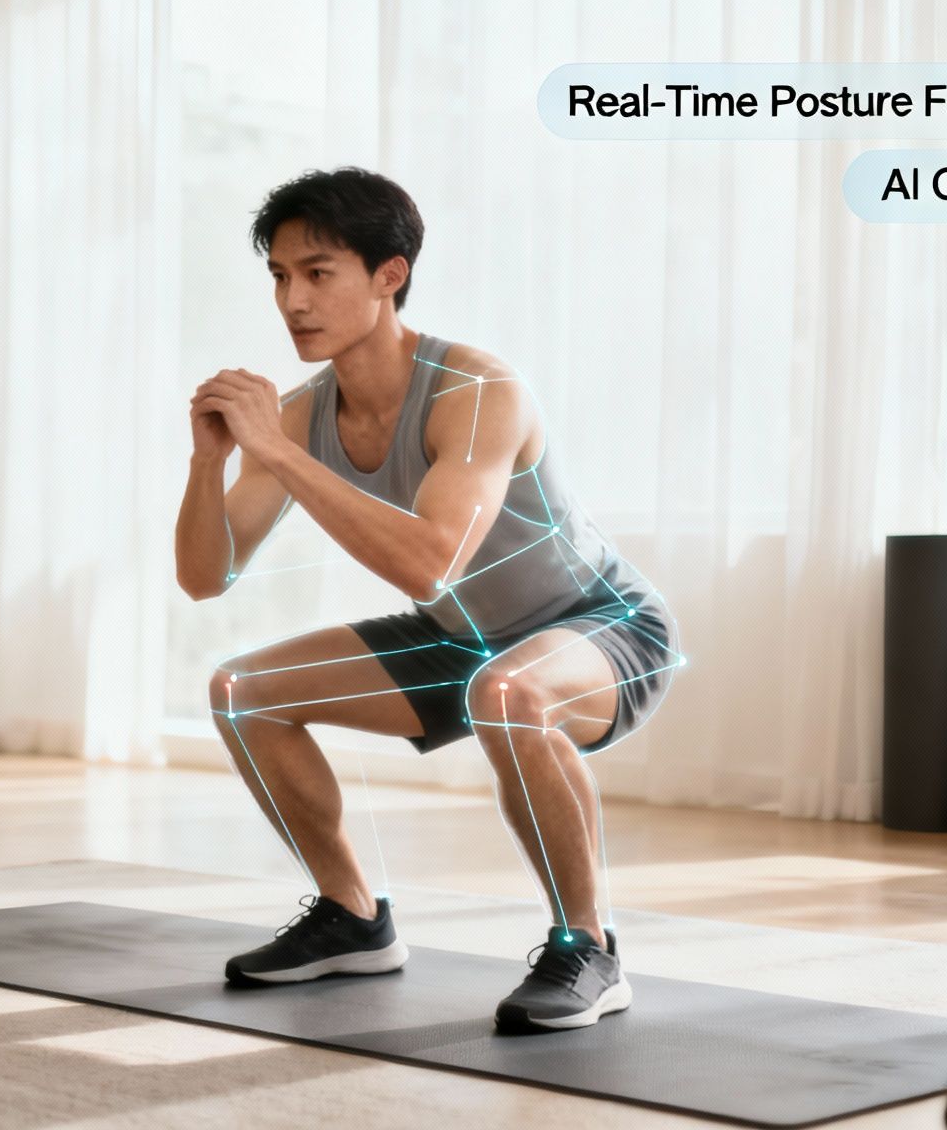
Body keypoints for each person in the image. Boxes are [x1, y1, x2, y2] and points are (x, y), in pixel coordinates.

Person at [172, 167, 679, 1032]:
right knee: (240, 692)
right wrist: (209, 461)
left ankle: (589, 947)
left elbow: (430, 564)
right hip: (462, 638)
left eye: (318, 272)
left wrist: (278, 452)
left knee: (509, 696)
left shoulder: (477, 392)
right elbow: (204, 576)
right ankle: (353, 920)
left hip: (600, 629)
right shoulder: (301, 417)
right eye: (280, 277)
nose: (293, 299)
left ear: (389, 275)